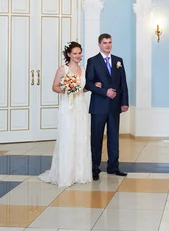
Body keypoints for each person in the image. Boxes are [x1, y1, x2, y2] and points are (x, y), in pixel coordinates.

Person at [39, 41, 93, 187]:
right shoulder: (63, 69)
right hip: (68, 106)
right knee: (68, 136)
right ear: (69, 54)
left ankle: (80, 173)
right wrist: (67, 90)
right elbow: (54, 87)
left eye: (79, 53)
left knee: (81, 136)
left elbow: (82, 88)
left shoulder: (83, 69)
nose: (78, 56)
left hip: (80, 105)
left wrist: (90, 88)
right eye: (75, 53)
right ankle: (66, 174)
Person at [85, 33, 129, 180]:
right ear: (99, 44)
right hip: (98, 106)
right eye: (105, 43)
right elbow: (89, 84)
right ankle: (95, 168)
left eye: (110, 42)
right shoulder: (93, 61)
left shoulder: (118, 61)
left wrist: (124, 102)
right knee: (97, 138)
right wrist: (105, 92)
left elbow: (123, 83)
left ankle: (113, 167)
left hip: (114, 106)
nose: (108, 45)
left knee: (113, 137)